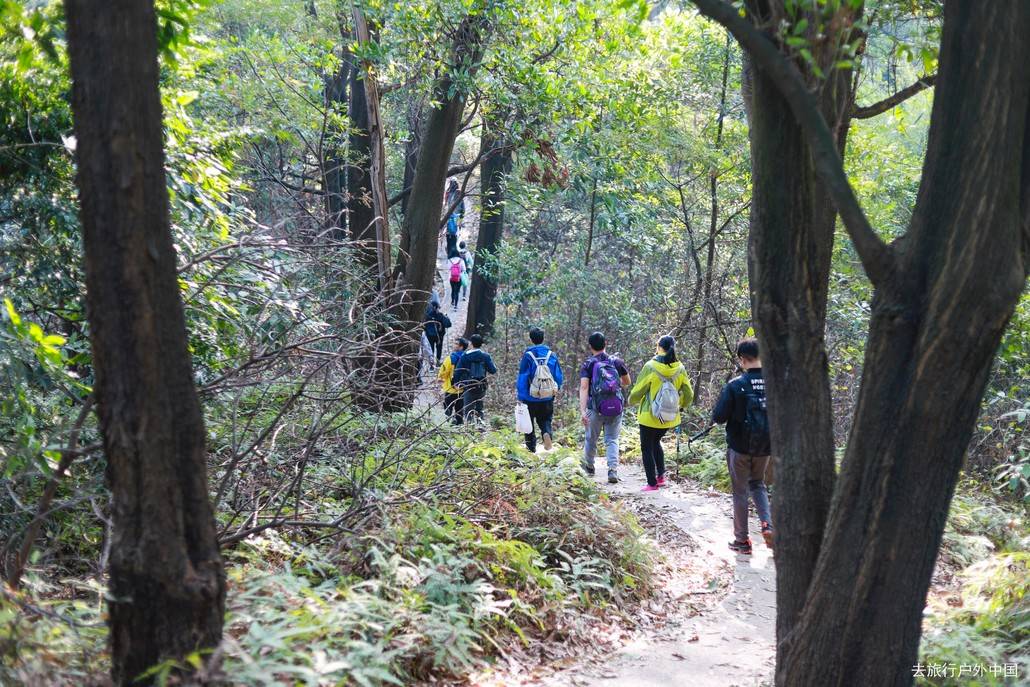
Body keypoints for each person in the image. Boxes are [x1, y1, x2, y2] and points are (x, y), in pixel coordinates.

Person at [712, 337, 773, 555]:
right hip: (765, 447)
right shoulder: (775, 384)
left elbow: (718, 416)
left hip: (739, 447)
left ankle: (742, 541)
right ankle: (768, 524)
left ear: (741, 359)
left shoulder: (736, 385)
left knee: (740, 492)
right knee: (758, 484)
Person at [628, 335, 694, 492]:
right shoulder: (680, 368)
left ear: (659, 347)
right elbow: (689, 393)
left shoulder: (650, 366)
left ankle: (652, 483)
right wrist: (682, 406)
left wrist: (631, 400)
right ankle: (661, 477)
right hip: (670, 417)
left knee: (647, 448)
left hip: (649, 416)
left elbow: (639, 390)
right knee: (656, 442)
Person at [579, 331, 631, 483]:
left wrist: (583, 411)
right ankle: (612, 470)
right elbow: (627, 381)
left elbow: (584, 387)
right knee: (612, 439)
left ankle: (589, 466)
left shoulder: (588, 364)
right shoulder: (617, 362)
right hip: (615, 407)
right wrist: (613, 386)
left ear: (590, 346)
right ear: (605, 344)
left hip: (595, 407)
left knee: (591, 438)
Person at [516, 327, 564, 452]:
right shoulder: (551, 355)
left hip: (530, 397)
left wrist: (521, 396)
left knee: (529, 424)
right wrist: (555, 390)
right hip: (547, 395)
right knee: (545, 420)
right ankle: (546, 433)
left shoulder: (528, 356)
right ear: (543, 338)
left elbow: (523, 376)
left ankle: (531, 449)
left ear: (531, 339)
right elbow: (558, 376)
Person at [453, 334, 497, 423]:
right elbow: (493, 370)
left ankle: (470, 429)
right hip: (481, 386)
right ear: (481, 344)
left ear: (471, 343)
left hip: (468, 386)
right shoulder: (485, 356)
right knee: (479, 408)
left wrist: (456, 383)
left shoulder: (465, 356)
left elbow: (458, 371)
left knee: (468, 409)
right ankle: (480, 426)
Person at [439, 337, 469, 424]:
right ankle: (459, 425)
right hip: (463, 388)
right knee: (460, 409)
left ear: (461, 347)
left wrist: (440, 379)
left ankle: (446, 424)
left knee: (448, 408)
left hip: (450, 388)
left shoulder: (451, 358)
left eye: (456, 344)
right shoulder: (467, 357)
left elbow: (444, 372)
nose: (454, 345)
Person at [422, 301, 451, 367]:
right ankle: (438, 362)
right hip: (439, 336)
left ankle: (431, 365)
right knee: (439, 349)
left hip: (430, 335)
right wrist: (446, 317)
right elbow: (448, 325)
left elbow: (424, 326)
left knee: (431, 349)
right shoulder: (440, 315)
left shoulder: (427, 316)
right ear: (436, 307)